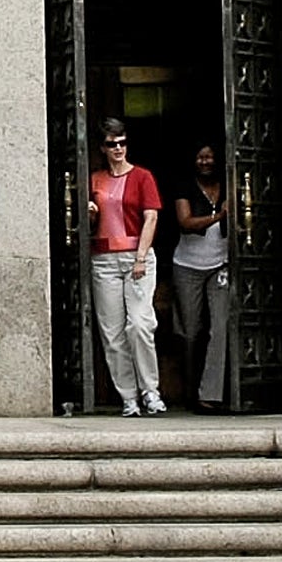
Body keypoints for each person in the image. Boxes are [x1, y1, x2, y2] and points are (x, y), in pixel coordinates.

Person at [86, 117, 165, 416]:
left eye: (122, 142)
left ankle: (150, 391)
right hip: (104, 258)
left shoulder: (143, 176)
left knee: (140, 325)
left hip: (136, 255)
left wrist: (141, 257)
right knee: (112, 332)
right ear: (103, 148)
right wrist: (90, 213)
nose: (118, 148)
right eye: (112, 144)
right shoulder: (95, 179)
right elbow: (87, 223)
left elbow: (151, 217)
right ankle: (128, 397)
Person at [168, 143, 232, 413]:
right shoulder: (184, 186)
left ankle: (210, 395)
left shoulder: (229, 184)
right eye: (200, 157)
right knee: (190, 331)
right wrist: (220, 216)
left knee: (220, 326)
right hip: (187, 265)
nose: (206, 161)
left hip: (221, 264)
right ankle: (188, 391)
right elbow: (185, 222)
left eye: (210, 156)